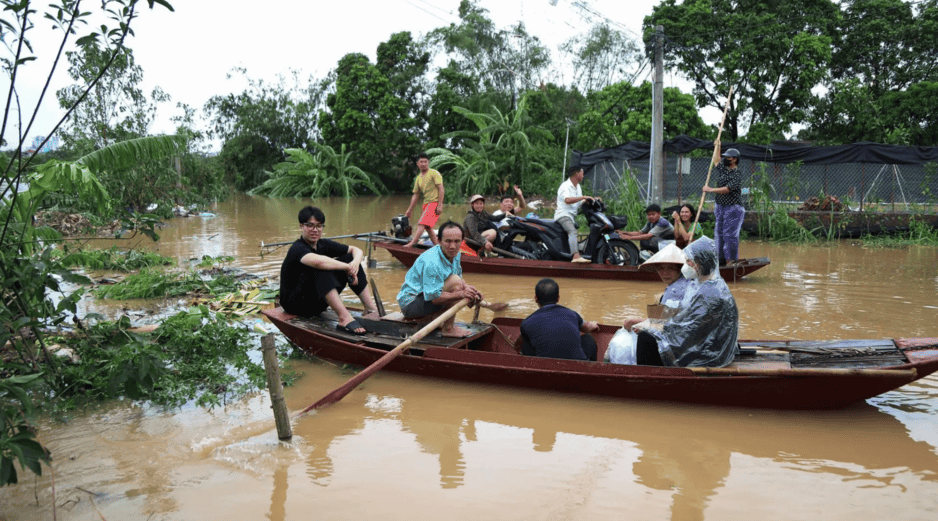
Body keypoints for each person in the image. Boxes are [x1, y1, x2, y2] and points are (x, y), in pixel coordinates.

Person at [622, 237, 739, 367]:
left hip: (709, 354)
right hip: (709, 344)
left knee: (646, 337)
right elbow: (686, 318)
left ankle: (650, 377)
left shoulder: (708, 292)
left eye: (689, 261)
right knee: (648, 331)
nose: (686, 265)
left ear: (701, 263)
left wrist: (647, 325)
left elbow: (688, 328)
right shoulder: (708, 284)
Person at [279, 206, 378, 335]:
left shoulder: (323, 244)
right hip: (296, 305)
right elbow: (319, 262)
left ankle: (370, 309)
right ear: (301, 226)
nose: (315, 230)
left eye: (319, 226)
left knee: (349, 258)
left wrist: (354, 264)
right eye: (310, 225)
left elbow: (356, 250)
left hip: (317, 302)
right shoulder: (297, 248)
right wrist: (347, 267)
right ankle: (344, 317)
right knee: (321, 267)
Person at [397, 221, 483, 337]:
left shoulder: (455, 254)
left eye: (457, 241)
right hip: (410, 304)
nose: (452, 246)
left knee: (460, 285)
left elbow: (459, 279)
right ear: (439, 241)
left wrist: (471, 292)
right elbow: (434, 298)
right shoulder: (431, 261)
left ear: (462, 241)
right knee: (456, 286)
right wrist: (462, 294)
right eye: (448, 241)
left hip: (426, 298)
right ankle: (448, 329)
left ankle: (430, 318)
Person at [520, 278, 599, 361]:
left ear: (536, 298)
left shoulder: (527, 323)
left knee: (525, 342)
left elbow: (520, 345)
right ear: (558, 298)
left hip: (545, 369)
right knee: (588, 338)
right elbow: (587, 328)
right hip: (577, 367)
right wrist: (594, 325)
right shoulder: (572, 314)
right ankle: (593, 369)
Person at [703, 144, 745, 265]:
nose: (726, 159)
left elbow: (727, 189)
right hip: (720, 207)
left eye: (728, 157)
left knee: (729, 235)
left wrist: (710, 190)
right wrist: (718, 145)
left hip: (733, 208)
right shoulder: (724, 170)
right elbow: (716, 160)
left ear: (734, 159)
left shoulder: (737, 174)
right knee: (719, 234)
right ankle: (720, 260)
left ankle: (731, 261)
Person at [554, 165, 595, 263]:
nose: (583, 175)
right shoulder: (565, 186)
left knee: (574, 231)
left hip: (571, 216)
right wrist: (582, 197)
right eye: (582, 173)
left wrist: (592, 199)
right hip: (563, 215)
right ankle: (576, 256)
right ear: (576, 174)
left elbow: (580, 202)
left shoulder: (578, 186)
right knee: (572, 231)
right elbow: (567, 200)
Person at [403, 152, 445, 248]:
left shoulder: (434, 173)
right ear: (417, 164)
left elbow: (441, 189)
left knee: (421, 224)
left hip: (434, 203)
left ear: (428, 162)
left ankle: (412, 243)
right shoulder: (418, 178)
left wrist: (440, 204)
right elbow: (416, 195)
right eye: (421, 162)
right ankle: (438, 246)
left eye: (425, 162)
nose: (423, 164)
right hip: (426, 204)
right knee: (428, 227)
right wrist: (410, 210)